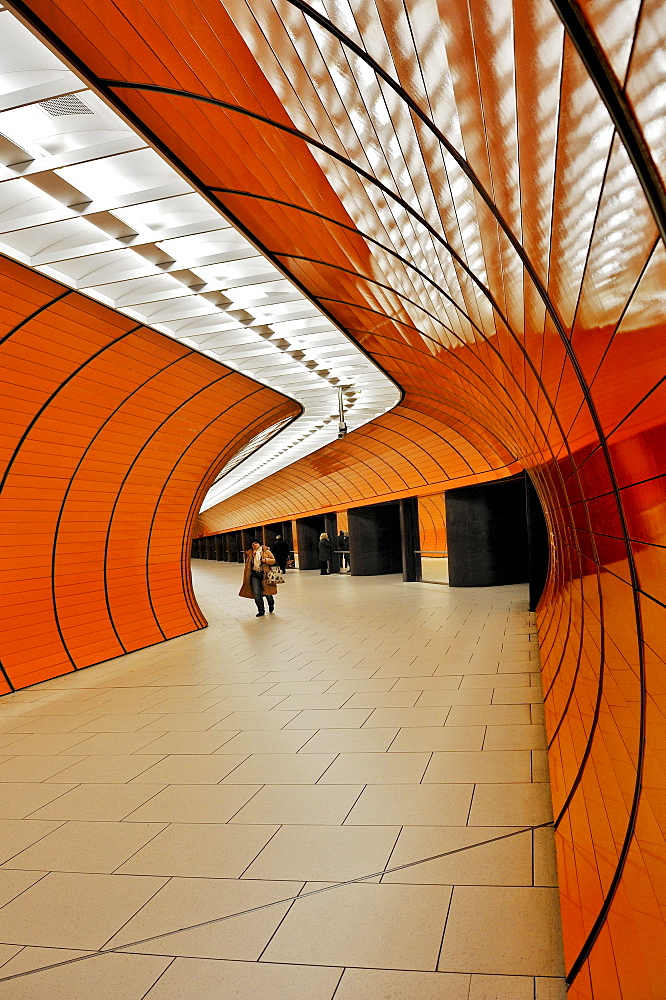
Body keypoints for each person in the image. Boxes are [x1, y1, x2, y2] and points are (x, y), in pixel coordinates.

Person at [239, 539, 277, 616]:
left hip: (265, 574)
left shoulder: (266, 551)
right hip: (254, 575)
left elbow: (273, 561)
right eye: (252, 544)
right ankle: (261, 610)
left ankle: (271, 604)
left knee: (268, 593)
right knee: (256, 593)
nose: (254, 545)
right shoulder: (250, 554)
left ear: (259, 544)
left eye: (256, 543)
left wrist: (266, 560)